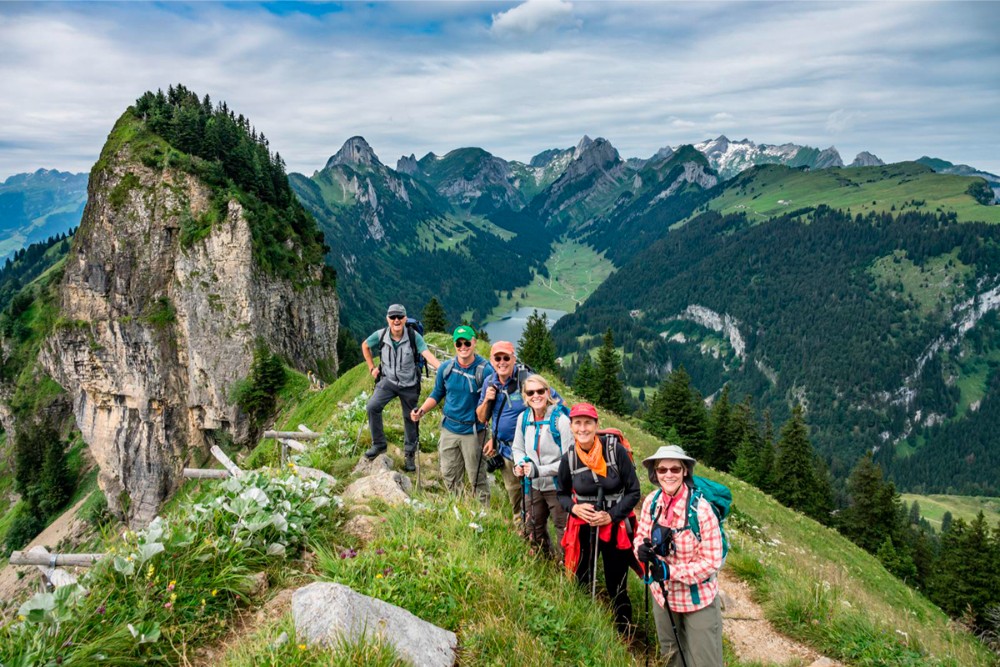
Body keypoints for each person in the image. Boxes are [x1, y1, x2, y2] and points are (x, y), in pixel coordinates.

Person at [634, 445, 724, 667]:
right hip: (662, 596)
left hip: (698, 599)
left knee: (704, 662)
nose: (668, 474)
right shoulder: (651, 503)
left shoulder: (701, 510)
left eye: (675, 469)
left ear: (685, 471)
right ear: (655, 473)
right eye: (662, 470)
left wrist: (670, 571)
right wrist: (640, 550)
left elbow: (712, 561)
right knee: (671, 656)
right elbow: (640, 537)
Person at [557, 403, 641, 634]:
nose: (582, 428)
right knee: (582, 578)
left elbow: (634, 491)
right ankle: (583, 626)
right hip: (584, 527)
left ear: (596, 425)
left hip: (615, 527)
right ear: (571, 426)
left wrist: (611, 516)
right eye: (578, 423)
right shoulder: (570, 458)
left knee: (617, 584)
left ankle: (624, 633)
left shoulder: (615, 451)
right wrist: (574, 509)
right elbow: (561, 494)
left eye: (587, 423)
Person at [475, 341, 561, 523]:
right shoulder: (489, 383)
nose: (502, 362)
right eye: (497, 358)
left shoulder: (527, 380)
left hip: (532, 453)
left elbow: (557, 404)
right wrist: (486, 401)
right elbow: (482, 417)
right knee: (516, 499)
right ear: (491, 361)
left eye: (506, 357)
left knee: (537, 500)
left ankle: (542, 533)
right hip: (506, 453)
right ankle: (523, 535)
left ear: (514, 359)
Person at [410, 325, 493, 504]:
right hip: (449, 429)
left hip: (474, 431)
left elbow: (493, 402)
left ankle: (483, 515)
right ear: (454, 344)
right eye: (459, 343)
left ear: (474, 343)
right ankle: (458, 508)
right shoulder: (446, 368)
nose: (463, 346)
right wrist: (422, 410)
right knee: (449, 473)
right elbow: (437, 393)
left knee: (476, 477)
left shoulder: (485, 370)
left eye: (467, 342)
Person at [361, 304, 440, 471]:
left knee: (410, 417)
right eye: (392, 317)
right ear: (387, 319)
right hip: (388, 381)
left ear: (405, 318)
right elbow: (365, 346)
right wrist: (371, 368)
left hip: (409, 384)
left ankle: (410, 454)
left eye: (399, 317)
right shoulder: (381, 335)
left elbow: (426, 354)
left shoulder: (413, 336)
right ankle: (379, 445)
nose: (396, 320)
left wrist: (441, 368)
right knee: (372, 407)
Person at [512, 374, 573, 558]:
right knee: (533, 527)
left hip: (557, 486)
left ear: (548, 393)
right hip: (533, 485)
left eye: (540, 391)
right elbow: (517, 447)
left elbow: (568, 459)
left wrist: (540, 471)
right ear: (525, 396)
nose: (535, 396)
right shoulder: (523, 418)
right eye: (530, 392)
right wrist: (520, 463)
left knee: (563, 528)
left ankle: (567, 568)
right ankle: (543, 563)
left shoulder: (561, 421)